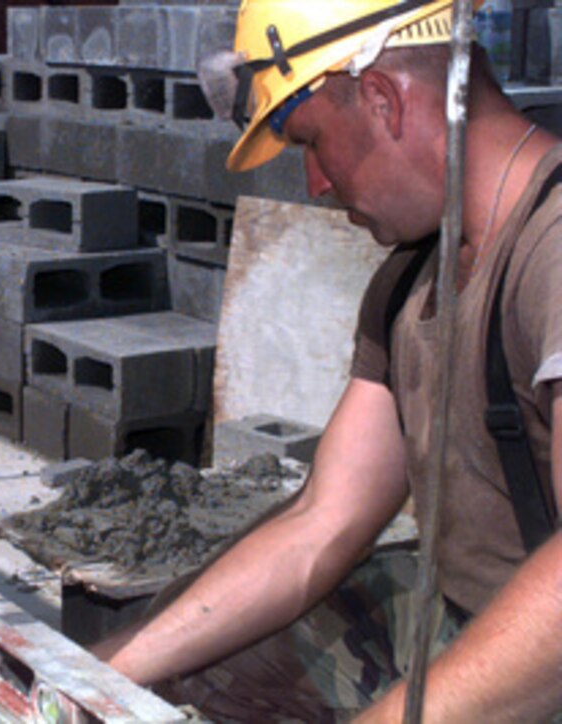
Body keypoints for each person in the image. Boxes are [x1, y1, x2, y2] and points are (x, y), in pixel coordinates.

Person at [93, 1, 562, 720]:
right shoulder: (412, 278)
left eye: (311, 142)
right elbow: (321, 520)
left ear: (383, 97)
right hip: (466, 619)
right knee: (189, 657)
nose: (313, 182)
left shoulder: (550, 250)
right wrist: (96, 677)